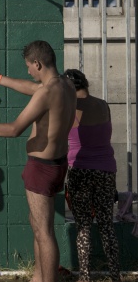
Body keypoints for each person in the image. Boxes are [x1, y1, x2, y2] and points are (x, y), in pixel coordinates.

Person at [0, 40, 76, 282]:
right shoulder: (65, 85)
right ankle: (38, 276)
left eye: (29, 67)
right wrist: (0, 79)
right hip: (57, 164)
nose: (28, 72)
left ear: (38, 63)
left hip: (42, 168)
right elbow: (32, 88)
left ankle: (47, 280)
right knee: (36, 224)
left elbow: (15, 129)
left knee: (43, 232)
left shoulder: (46, 92)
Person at [63, 69, 120, 282]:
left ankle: (85, 277)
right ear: (85, 83)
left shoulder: (69, 110)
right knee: (107, 226)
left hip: (80, 170)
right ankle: (115, 276)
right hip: (106, 170)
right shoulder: (104, 105)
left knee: (84, 226)